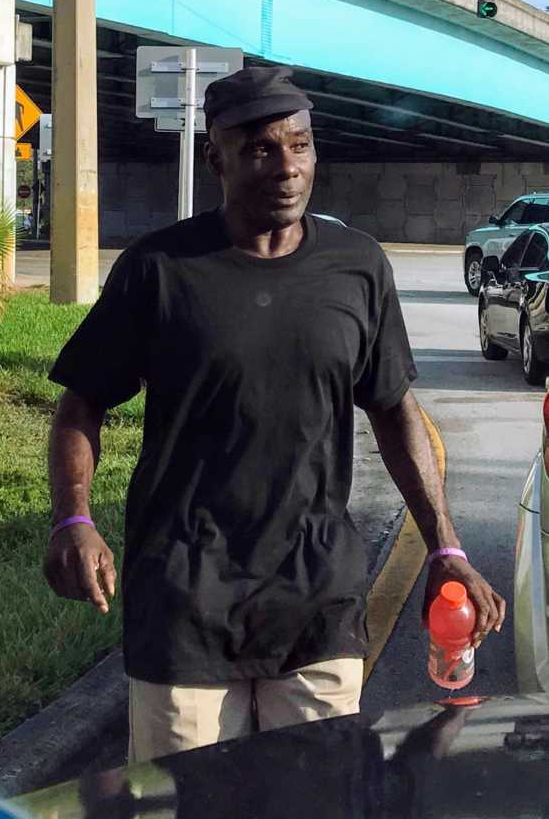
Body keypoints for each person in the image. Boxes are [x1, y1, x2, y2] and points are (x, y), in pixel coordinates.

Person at [43, 65, 505, 765]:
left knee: (316, 797)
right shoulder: (159, 269)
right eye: (261, 149)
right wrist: (73, 520)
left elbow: (393, 409)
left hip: (317, 597)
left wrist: (445, 546)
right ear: (216, 158)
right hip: (185, 598)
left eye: (300, 145)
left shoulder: (358, 267)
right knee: (188, 802)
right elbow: (82, 404)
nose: (287, 167)